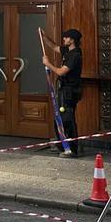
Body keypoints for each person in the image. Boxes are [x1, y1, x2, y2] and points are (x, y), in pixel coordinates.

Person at [41, 28, 83, 158]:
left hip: (69, 92)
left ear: (72, 40)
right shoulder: (67, 50)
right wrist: (44, 36)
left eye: (66, 37)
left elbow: (60, 72)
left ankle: (71, 149)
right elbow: (54, 47)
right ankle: (62, 146)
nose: (64, 39)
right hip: (63, 89)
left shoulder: (75, 55)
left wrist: (48, 64)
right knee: (59, 119)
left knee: (67, 120)